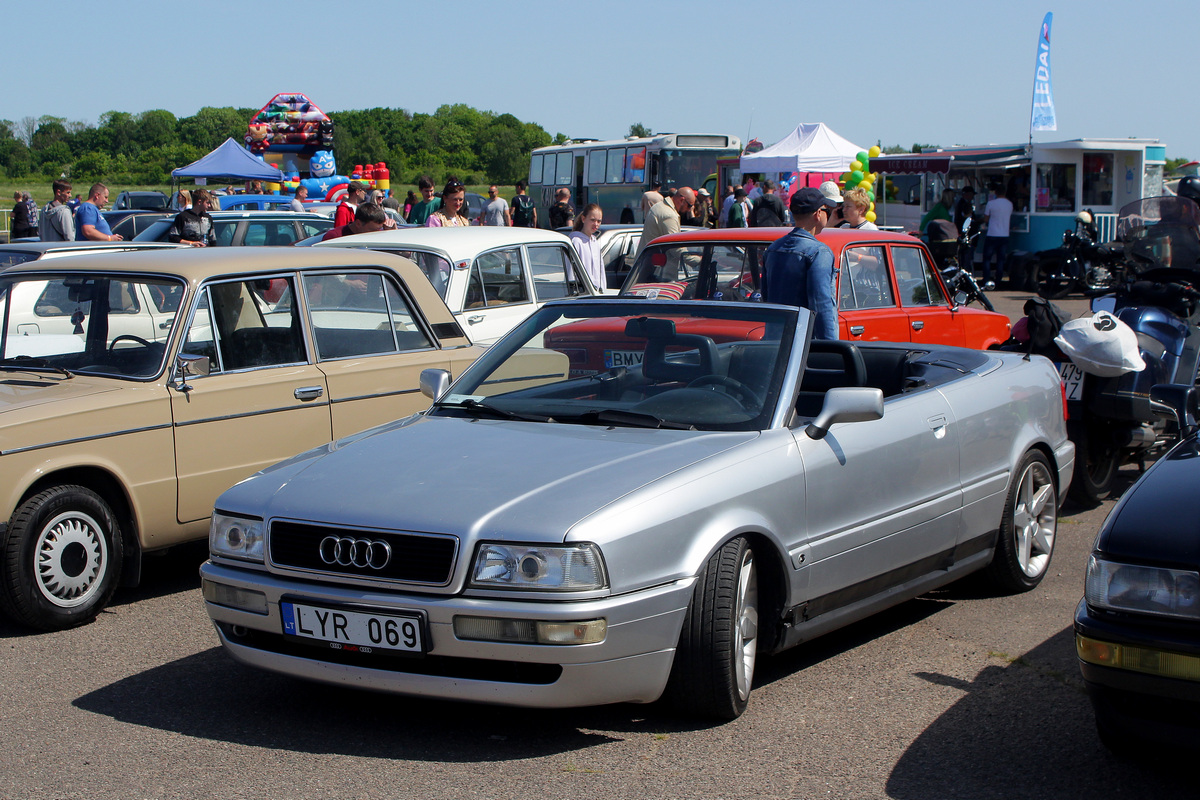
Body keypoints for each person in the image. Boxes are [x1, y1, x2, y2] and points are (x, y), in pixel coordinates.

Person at [762, 187, 839, 339]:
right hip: (804, 343)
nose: (828, 215)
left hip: (775, 342)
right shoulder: (818, 252)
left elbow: (766, 295)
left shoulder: (773, 248)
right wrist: (831, 349)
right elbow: (821, 305)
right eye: (827, 211)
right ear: (818, 214)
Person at [634, 186, 694, 260]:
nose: (689, 210)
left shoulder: (659, 206)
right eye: (689, 206)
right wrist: (697, 260)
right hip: (658, 269)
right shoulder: (669, 215)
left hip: (648, 264)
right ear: (682, 200)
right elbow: (675, 247)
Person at [981, 185, 1014, 287]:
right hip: (1004, 235)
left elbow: (986, 219)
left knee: (987, 258)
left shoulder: (991, 204)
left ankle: (986, 279)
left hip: (992, 234)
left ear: (995, 193)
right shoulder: (1009, 204)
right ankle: (998, 280)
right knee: (1000, 259)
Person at [568, 204, 605, 291]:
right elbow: (571, 271)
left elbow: (601, 271)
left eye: (599, 221)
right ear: (583, 219)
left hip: (597, 293)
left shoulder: (595, 242)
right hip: (582, 293)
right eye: (592, 220)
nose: (596, 224)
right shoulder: (576, 241)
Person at [321, 202, 388, 240]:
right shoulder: (334, 237)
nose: (376, 234)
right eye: (372, 230)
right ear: (358, 223)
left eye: (379, 229)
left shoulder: (380, 236)